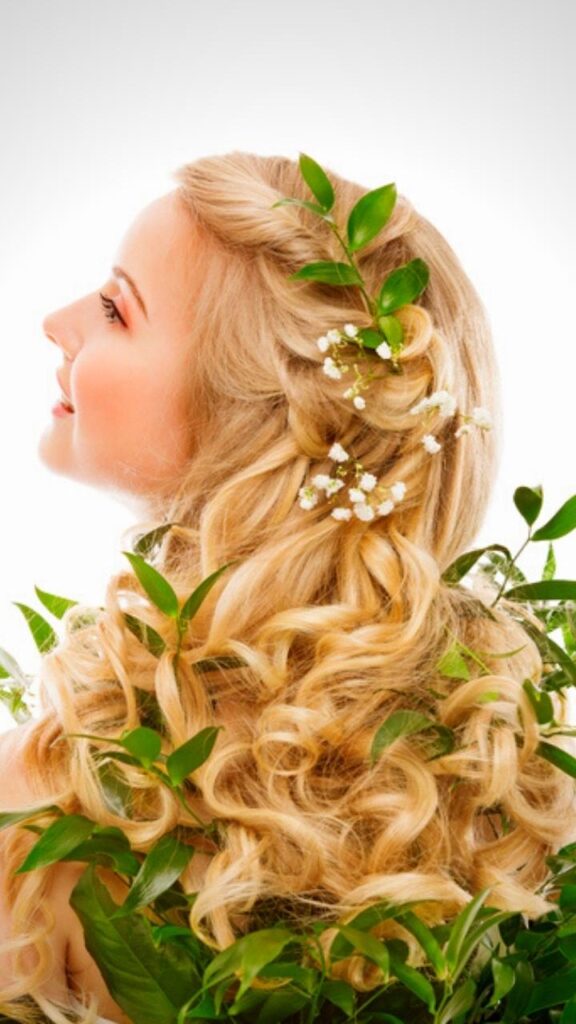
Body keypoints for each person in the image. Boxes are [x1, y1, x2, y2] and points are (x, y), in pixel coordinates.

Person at [0, 151, 573, 1023]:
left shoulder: (52, 797)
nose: (55, 321)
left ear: (254, 416)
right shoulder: (518, 786)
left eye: (118, 309)